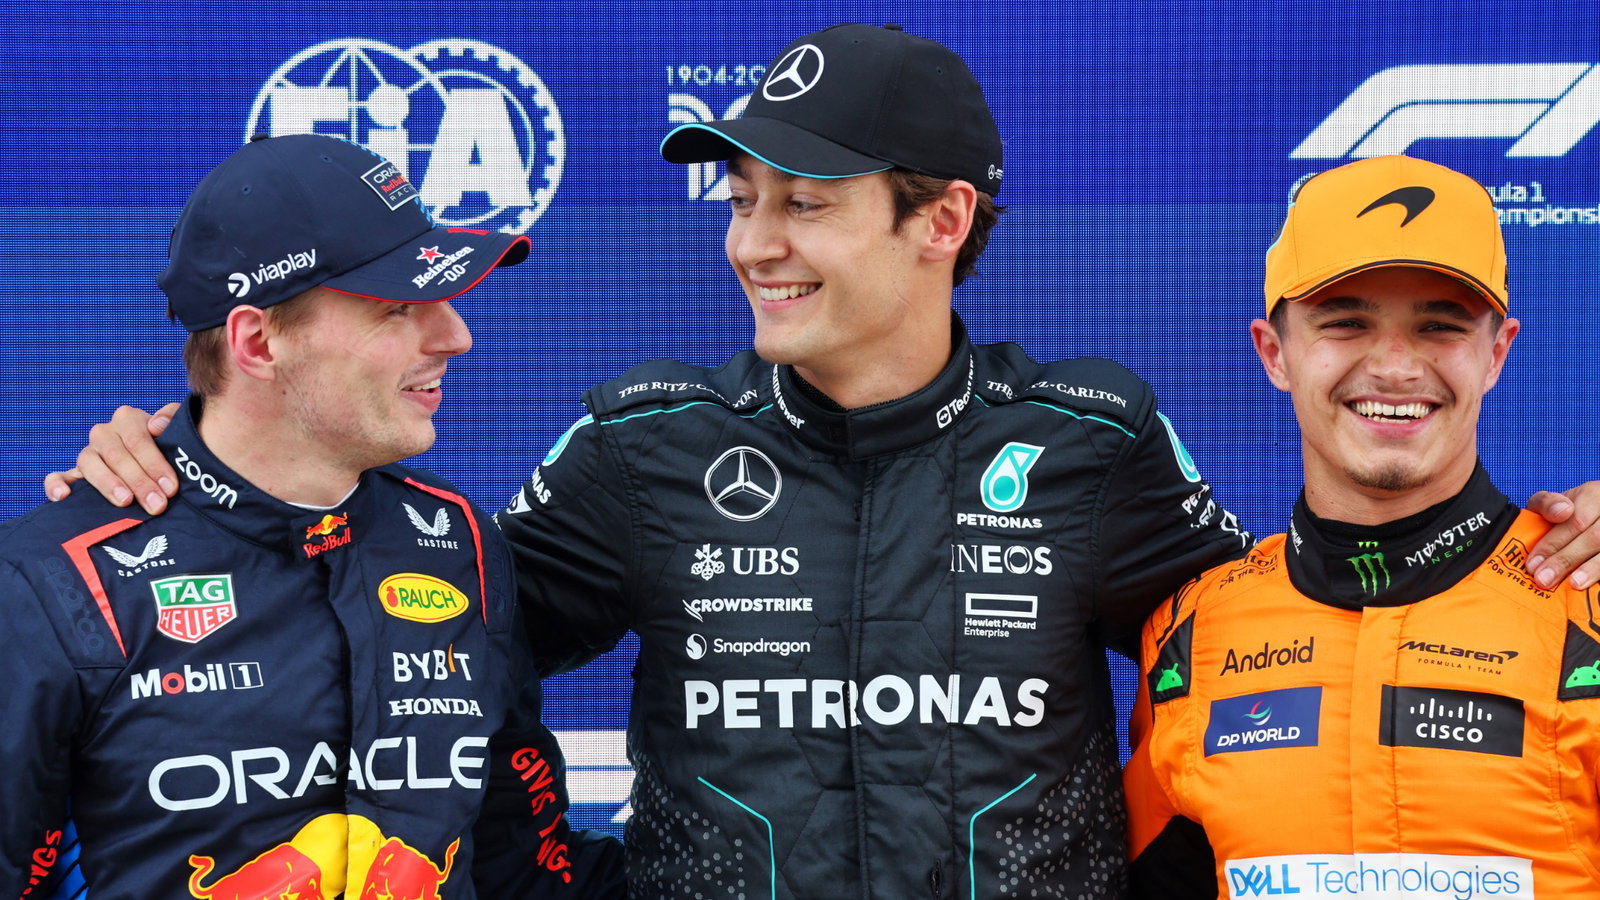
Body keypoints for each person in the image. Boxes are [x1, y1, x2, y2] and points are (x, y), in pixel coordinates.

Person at [45, 26, 1600, 899]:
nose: (752, 243)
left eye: (801, 203)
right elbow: (395, 617)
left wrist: (1569, 546)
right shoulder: (640, 443)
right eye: (739, 199)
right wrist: (189, 480)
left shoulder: (1092, 439)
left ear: (941, 224)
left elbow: (1307, 616)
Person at [2, 134, 620, 899]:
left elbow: (521, 864)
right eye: (399, 308)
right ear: (258, 342)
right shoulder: (53, 581)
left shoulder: (457, 541)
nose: (456, 337)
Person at [1122, 155, 1600, 897]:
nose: (1396, 367)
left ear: (1496, 353)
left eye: (1440, 325)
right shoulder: (1192, 629)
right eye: (1347, 323)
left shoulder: (1586, 592)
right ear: (1274, 353)